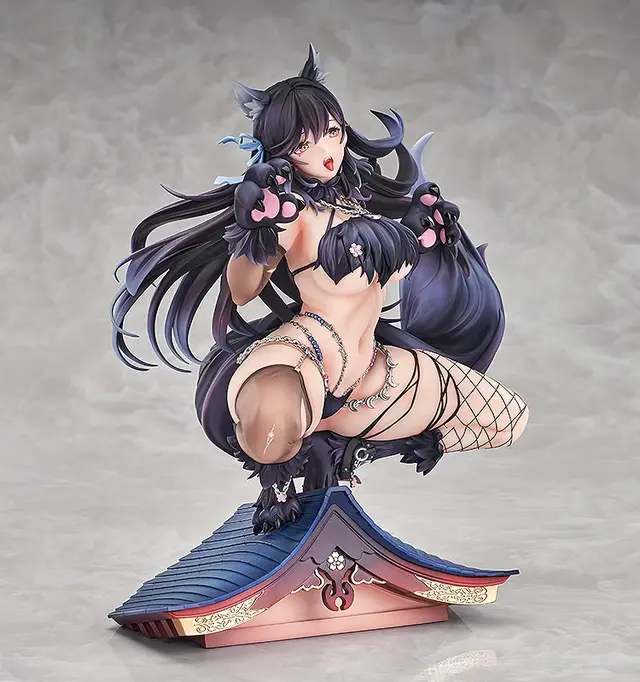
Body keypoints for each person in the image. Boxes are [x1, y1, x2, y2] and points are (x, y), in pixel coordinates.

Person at [111, 45, 529, 535]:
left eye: (331, 131)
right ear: (280, 151)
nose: (326, 149)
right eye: (304, 142)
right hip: (307, 354)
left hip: (375, 371)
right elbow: (242, 291)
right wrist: (255, 232)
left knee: (507, 418)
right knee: (272, 425)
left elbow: (391, 270)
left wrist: (424, 235)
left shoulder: (359, 205)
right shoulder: (293, 214)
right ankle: (284, 477)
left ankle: (340, 450)